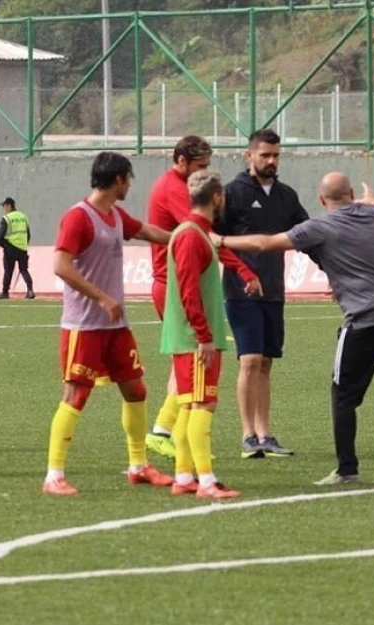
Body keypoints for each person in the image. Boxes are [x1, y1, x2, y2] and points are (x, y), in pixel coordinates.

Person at [214, 172, 374, 484]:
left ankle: (347, 469)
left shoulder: (319, 226)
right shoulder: (373, 215)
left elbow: (266, 243)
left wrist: (222, 240)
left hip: (365, 315)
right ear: (351, 192)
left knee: (344, 395)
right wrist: (370, 199)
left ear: (322, 201)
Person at [42, 152, 175, 496]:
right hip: (83, 326)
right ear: (118, 179)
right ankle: (53, 475)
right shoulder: (78, 217)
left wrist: (181, 238)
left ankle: (138, 465)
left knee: (136, 389)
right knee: (75, 395)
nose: (131, 184)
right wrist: (101, 297)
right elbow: (60, 265)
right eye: (129, 178)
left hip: (116, 327)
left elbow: (145, 230)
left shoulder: (115, 215)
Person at [146, 135, 260, 460]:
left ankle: (168, 436)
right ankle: (166, 434)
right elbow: (203, 238)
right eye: (200, 166)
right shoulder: (175, 191)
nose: (204, 171)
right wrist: (243, 270)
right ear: (181, 161)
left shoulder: (175, 185)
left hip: (175, 282)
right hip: (175, 285)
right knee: (193, 365)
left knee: (183, 367)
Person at [218, 128, 309, 459]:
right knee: (250, 359)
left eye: (275, 155)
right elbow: (215, 239)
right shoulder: (232, 193)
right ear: (249, 156)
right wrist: (242, 270)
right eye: (264, 155)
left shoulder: (286, 196)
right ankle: (247, 436)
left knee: (266, 362)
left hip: (274, 290)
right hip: (240, 291)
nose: (271, 161)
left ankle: (264, 433)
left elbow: (307, 234)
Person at [161, 170, 242, 499]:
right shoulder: (192, 236)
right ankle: (206, 481)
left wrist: (245, 271)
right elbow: (188, 290)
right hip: (195, 340)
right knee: (202, 405)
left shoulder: (197, 232)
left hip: (192, 338)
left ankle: (184, 476)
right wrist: (204, 336)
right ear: (217, 197)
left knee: (189, 406)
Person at [0, 197, 35, 300]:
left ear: (9, 206)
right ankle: (30, 290)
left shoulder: (6, 218)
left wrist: (5, 246)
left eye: (4, 206)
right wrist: (23, 244)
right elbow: (28, 234)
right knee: (24, 269)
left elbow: (0, 236)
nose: (3, 209)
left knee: (8, 271)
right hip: (22, 248)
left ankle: (5, 292)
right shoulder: (24, 216)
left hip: (10, 247)